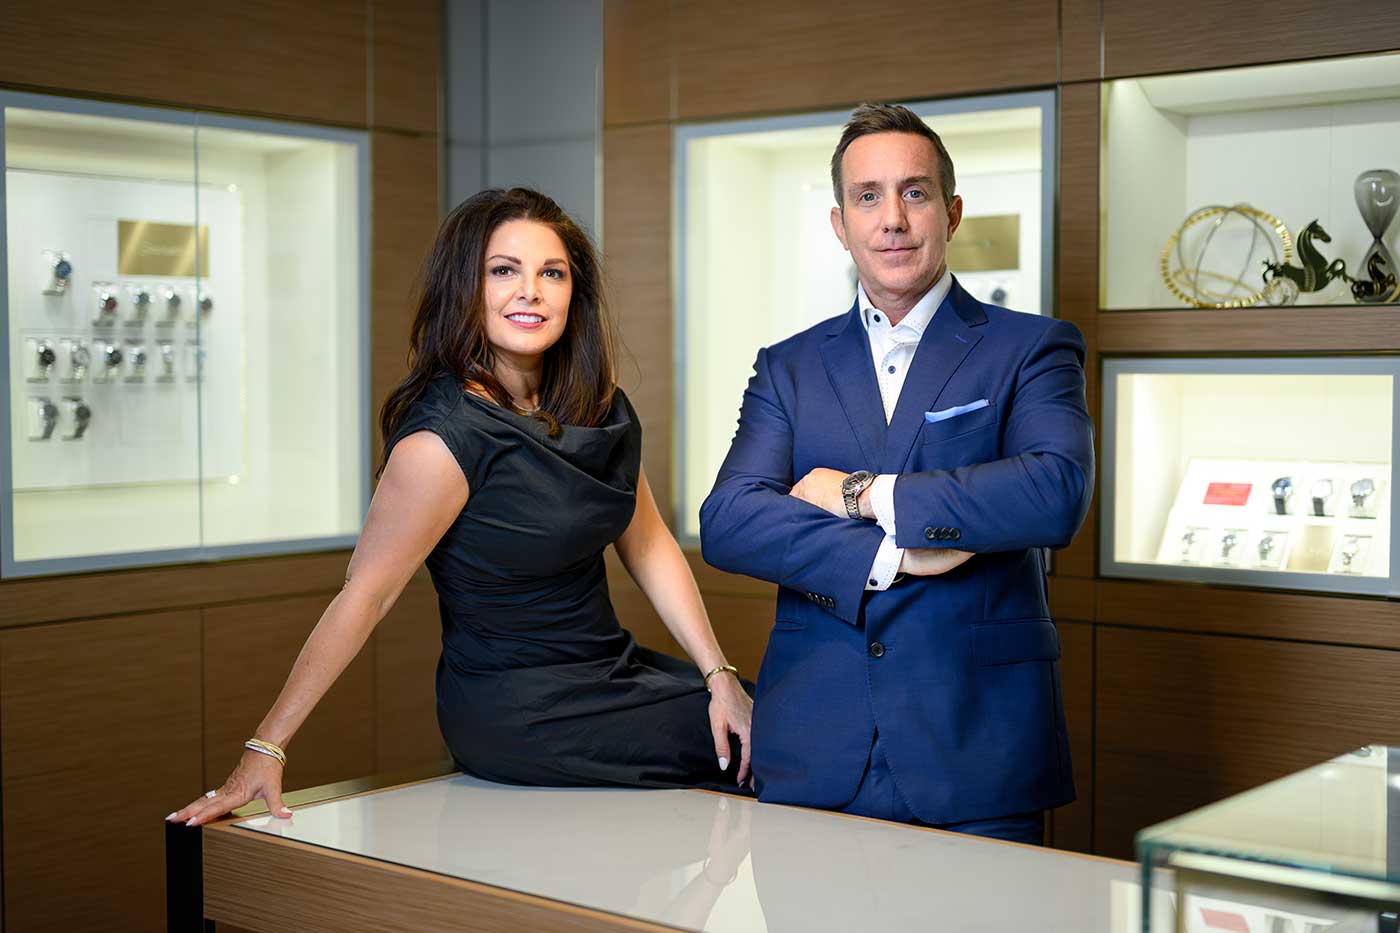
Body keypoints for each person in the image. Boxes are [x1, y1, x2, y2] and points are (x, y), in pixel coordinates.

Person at [170, 188, 752, 828]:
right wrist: (266, 746)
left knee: (773, 709)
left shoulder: (596, 406)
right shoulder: (443, 437)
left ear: (572, 293)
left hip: (609, 671)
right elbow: (365, 594)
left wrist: (717, 674)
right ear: (464, 289)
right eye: (503, 271)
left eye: (550, 273)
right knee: (789, 741)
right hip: (518, 707)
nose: (529, 291)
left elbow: (648, 543)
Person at [698, 103, 1094, 844]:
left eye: (914, 193)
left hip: (976, 747)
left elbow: (1053, 490)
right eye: (867, 196)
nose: (892, 219)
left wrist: (862, 494)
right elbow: (729, 518)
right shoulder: (789, 366)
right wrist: (892, 552)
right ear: (839, 223)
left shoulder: (1032, 348)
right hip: (814, 745)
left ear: (952, 211)